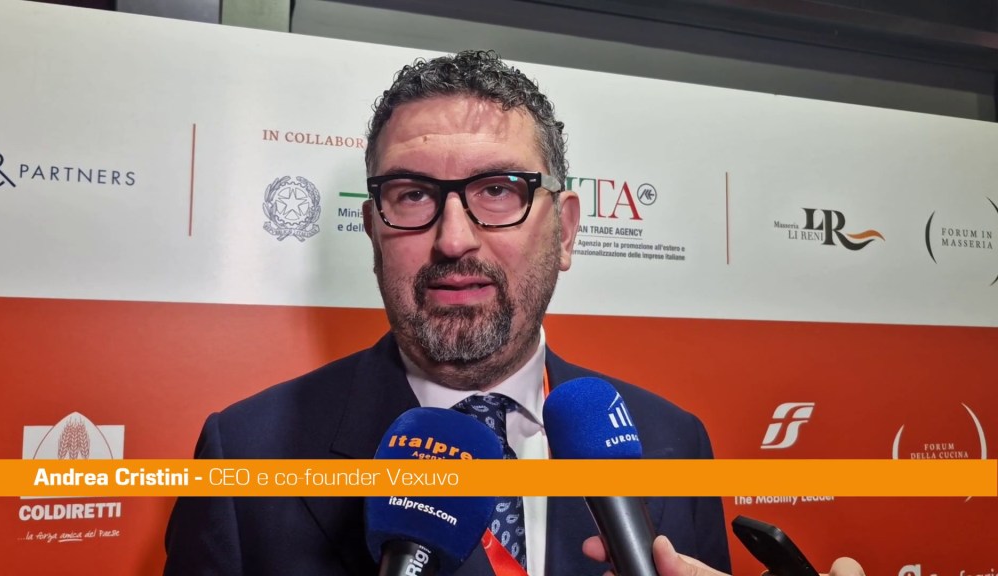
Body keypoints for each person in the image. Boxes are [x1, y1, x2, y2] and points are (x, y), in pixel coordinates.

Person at [164, 50, 862, 576]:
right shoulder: (244, 454)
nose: (454, 239)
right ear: (374, 230)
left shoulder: (671, 442)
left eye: (498, 190)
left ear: (566, 230)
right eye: (413, 195)